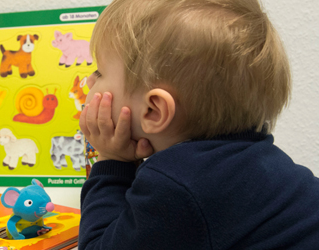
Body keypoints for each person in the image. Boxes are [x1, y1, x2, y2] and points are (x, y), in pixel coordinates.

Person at [78, 0, 319, 249]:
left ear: (154, 111)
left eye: (100, 72)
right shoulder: (252, 160)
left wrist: (111, 162)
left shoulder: (176, 187)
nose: (87, 81)